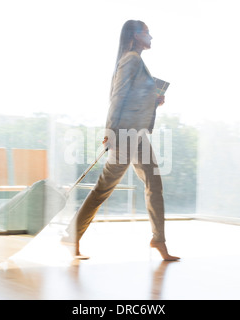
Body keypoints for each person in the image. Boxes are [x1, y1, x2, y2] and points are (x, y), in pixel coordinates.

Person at [62, 20, 180, 261]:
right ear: (136, 35)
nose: (151, 36)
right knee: (103, 189)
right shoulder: (131, 60)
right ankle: (71, 235)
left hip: (138, 135)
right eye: (147, 32)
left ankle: (159, 240)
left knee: (154, 186)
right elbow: (117, 97)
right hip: (125, 134)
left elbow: (135, 97)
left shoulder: (137, 61)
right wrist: (110, 133)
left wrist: (154, 101)